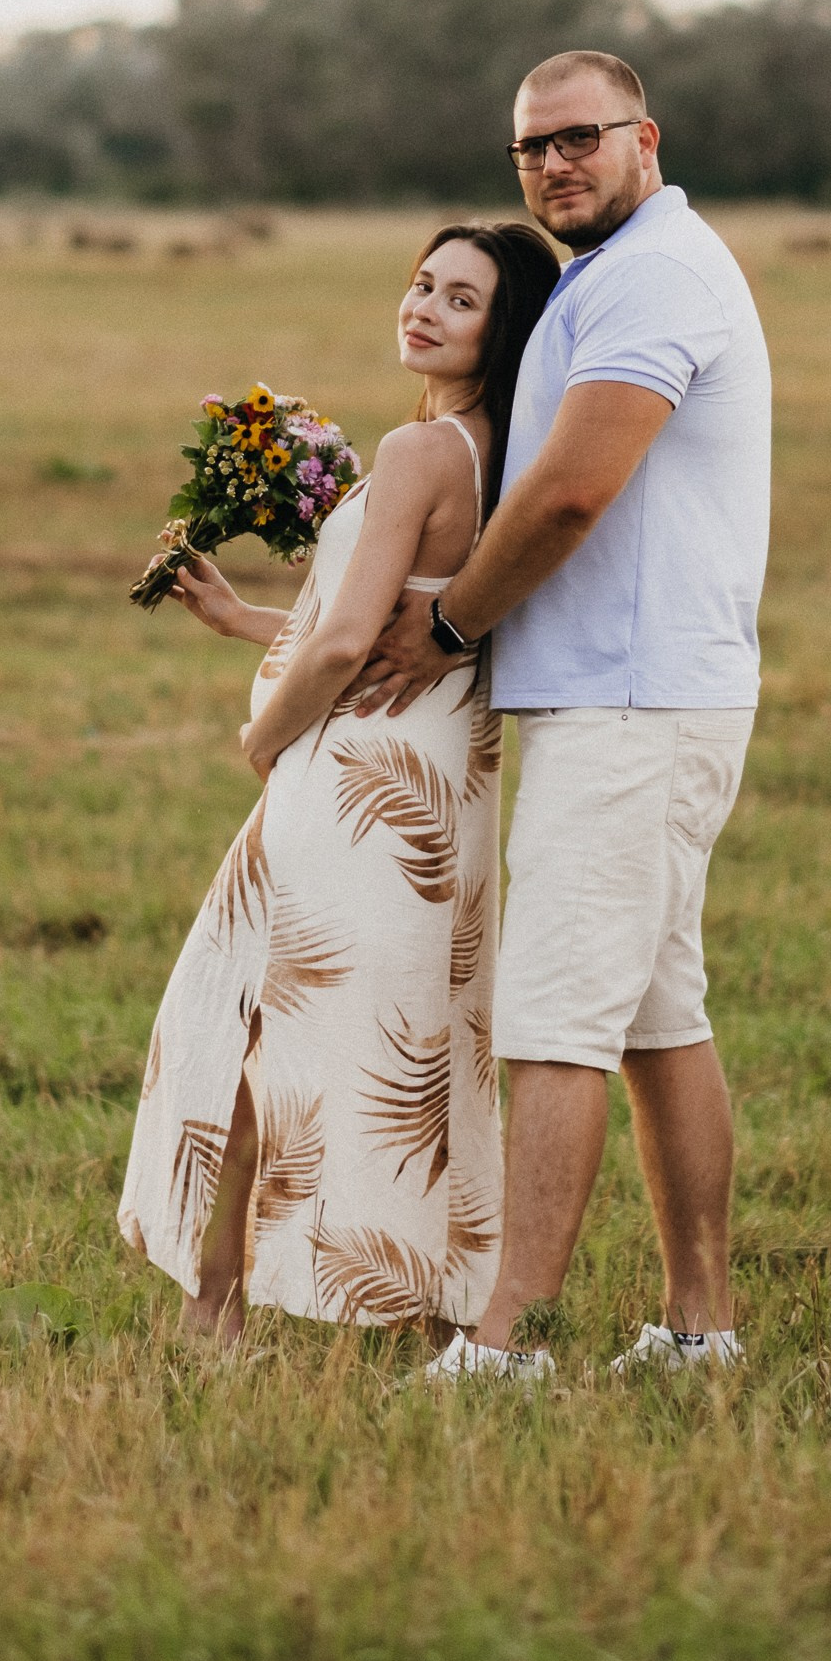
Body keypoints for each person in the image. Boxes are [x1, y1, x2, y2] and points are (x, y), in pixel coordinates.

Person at [354, 50, 771, 1384]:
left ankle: (498, 1340)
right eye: (530, 148)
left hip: (633, 705)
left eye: (577, 139)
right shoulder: (623, 267)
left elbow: (573, 491)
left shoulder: (654, 274)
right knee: (655, 1013)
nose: (552, 164)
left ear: (642, 136)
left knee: (555, 1019)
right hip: (646, 695)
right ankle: (697, 1331)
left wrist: (452, 620)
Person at [117, 219, 562, 1346]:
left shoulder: (416, 455)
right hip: (437, 795)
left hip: (352, 786)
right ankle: (415, 1302)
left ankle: (214, 1299)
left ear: (498, 329)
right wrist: (241, 618)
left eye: (459, 300)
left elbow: (339, 649)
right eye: (420, 284)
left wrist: (262, 735)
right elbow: (385, 634)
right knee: (404, 1038)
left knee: (264, 1034)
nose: (422, 306)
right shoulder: (497, 453)